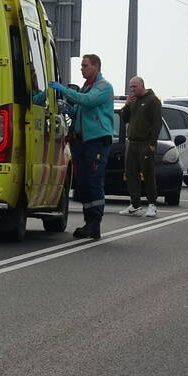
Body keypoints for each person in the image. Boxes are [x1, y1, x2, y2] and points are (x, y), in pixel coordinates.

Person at [48, 54, 115, 240]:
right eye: (82, 65)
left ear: (96, 66)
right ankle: (89, 223)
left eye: (85, 65)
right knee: (84, 183)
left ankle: (94, 224)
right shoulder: (87, 87)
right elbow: (80, 110)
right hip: (82, 142)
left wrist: (64, 91)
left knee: (93, 182)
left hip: (96, 142)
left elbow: (88, 101)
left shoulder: (103, 87)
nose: (82, 68)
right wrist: (68, 108)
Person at [118, 76, 162, 218]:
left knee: (148, 174)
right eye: (130, 87)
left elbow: (157, 124)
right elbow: (124, 119)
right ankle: (135, 203)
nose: (132, 89)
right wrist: (126, 105)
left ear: (142, 86)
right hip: (132, 142)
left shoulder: (152, 101)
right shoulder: (133, 100)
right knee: (131, 174)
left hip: (145, 143)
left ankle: (152, 204)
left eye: (134, 87)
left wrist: (152, 144)